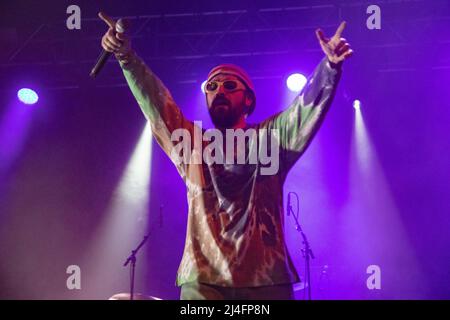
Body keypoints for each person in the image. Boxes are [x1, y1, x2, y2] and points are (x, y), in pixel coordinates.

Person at [98, 11, 352, 300]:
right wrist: (126, 58)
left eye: (230, 86)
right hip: (204, 281)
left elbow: (303, 111)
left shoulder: (271, 139)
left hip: (265, 278)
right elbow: (158, 105)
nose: (219, 91)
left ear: (248, 100)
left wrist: (330, 67)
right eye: (212, 86)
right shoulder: (191, 144)